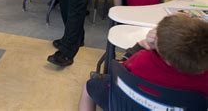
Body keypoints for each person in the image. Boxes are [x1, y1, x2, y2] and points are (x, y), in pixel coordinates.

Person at [78, 14, 208, 111]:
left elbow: (122, 68)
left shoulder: (143, 59)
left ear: (159, 48)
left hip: (132, 104)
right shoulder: (204, 78)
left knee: (89, 85)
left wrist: (140, 45)